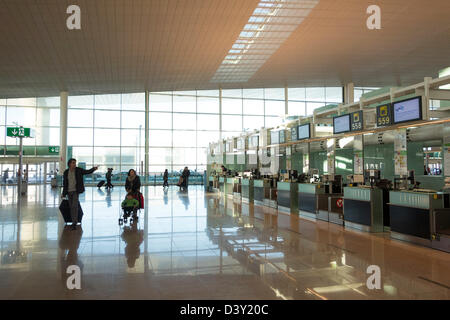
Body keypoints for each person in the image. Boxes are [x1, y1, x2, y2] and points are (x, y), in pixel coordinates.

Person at [62, 159, 98, 230]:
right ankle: (73, 221)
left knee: (74, 206)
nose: (74, 164)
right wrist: (63, 193)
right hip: (69, 191)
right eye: (73, 163)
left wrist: (93, 168)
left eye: (75, 163)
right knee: (71, 207)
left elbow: (87, 172)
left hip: (76, 191)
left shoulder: (78, 170)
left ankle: (74, 223)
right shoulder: (66, 172)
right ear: (69, 164)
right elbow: (65, 183)